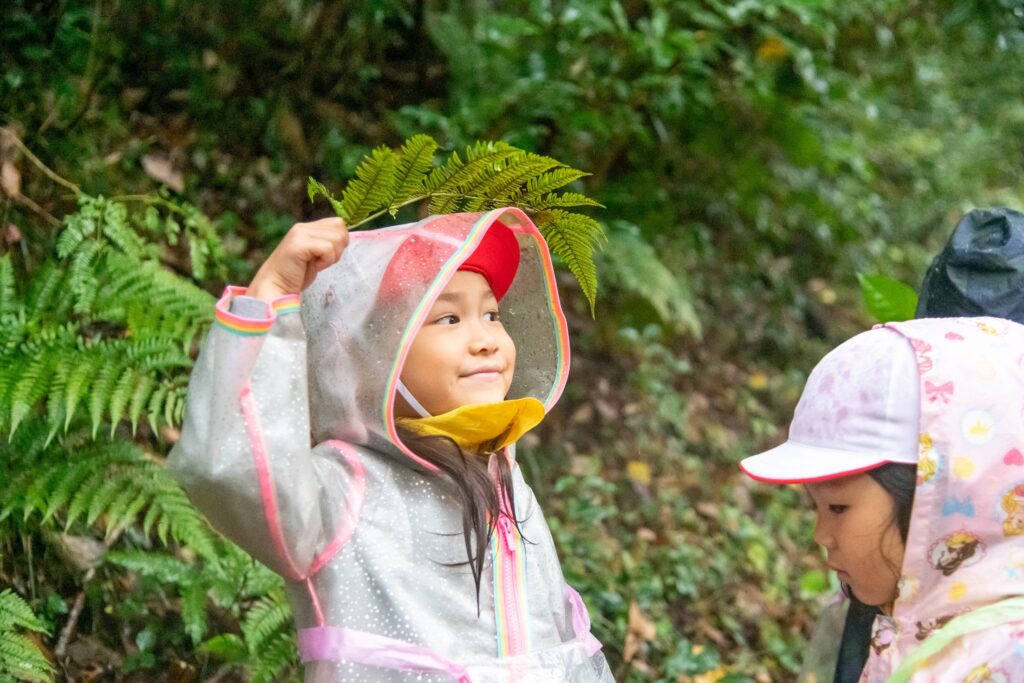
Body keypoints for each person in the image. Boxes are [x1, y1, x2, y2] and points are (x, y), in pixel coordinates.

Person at [168, 209, 613, 681]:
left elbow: (557, 643)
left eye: (491, 314)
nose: (485, 338)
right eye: (448, 318)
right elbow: (232, 467)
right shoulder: (344, 489)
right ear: (379, 357)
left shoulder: (505, 479)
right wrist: (270, 294)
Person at [740, 318, 1024, 682]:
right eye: (816, 507)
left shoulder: (1006, 660)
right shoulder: (933, 636)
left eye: (838, 507)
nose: (821, 535)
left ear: (937, 501)